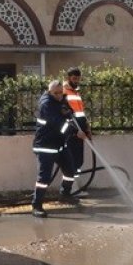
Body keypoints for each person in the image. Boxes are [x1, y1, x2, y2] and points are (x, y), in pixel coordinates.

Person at [31, 79, 84, 217]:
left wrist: (68, 112)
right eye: (56, 93)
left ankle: (65, 194)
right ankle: (37, 205)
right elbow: (59, 124)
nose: (59, 95)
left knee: (70, 170)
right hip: (45, 146)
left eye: (61, 92)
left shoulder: (60, 100)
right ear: (49, 92)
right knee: (44, 178)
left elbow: (69, 113)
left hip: (59, 144)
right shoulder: (46, 104)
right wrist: (75, 132)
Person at [61, 68, 91, 198]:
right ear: (68, 78)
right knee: (71, 161)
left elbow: (80, 113)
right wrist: (75, 131)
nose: (76, 81)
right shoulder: (63, 91)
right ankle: (70, 188)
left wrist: (87, 128)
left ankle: (76, 185)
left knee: (79, 161)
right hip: (71, 132)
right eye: (74, 79)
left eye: (78, 79)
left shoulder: (76, 92)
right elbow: (65, 115)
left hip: (80, 131)